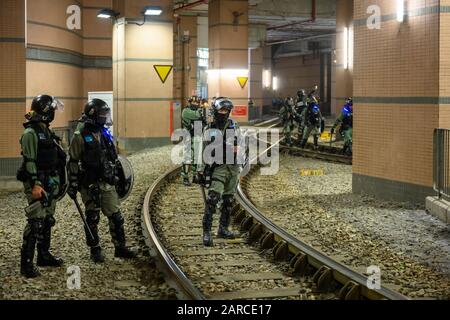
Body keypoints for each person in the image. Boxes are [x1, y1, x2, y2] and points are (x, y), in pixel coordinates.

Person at [67, 99, 136, 263]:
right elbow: (73, 161)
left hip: (107, 182)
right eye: (103, 114)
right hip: (90, 184)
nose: (106, 117)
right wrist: (73, 183)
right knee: (92, 217)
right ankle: (95, 249)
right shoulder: (80, 135)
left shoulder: (104, 132)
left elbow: (113, 157)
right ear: (94, 115)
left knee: (116, 216)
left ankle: (120, 247)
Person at [16, 95, 65, 278]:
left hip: (49, 181)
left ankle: (43, 256)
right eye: (51, 109)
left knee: (47, 220)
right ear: (46, 111)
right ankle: (26, 264)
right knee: (35, 222)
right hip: (37, 182)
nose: (54, 112)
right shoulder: (31, 133)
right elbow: (30, 161)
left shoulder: (45, 130)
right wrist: (36, 184)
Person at [196, 98, 244, 247]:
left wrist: (241, 157)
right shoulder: (209, 128)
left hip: (233, 167)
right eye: (221, 110)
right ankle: (207, 232)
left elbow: (241, 143)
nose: (223, 113)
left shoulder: (234, 126)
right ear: (215, 112)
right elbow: (203, 150)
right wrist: (200, 170)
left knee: (229, 200)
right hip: (219, 167)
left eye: (226, 111)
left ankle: (223, 229)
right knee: (212, 199)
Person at [181, 96, 205, 186]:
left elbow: (204, 121)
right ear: (189, 103)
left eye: (197, 103)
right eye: (193, 103)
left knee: (197, 157)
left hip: (197, 134)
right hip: (188, 135)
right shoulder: (186, 111)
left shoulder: (199, 111)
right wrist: (202, 114)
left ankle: (195, 176)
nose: (195, 104)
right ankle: (185, 177)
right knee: (187, 157)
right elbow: (197, 115)